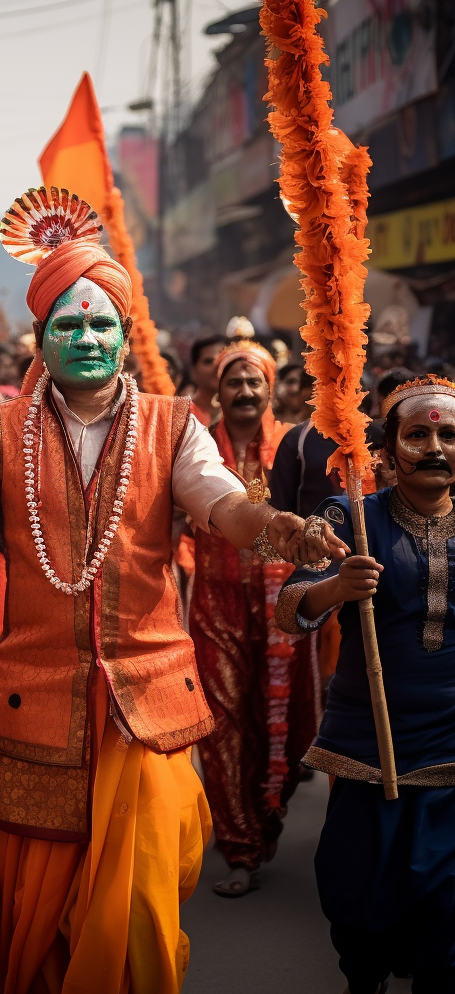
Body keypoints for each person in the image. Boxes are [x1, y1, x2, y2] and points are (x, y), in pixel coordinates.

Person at [0, 188, 343, 994]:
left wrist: (280, 526)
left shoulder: (174, 425)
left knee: (141, 906)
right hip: (31, 708)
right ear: (39, 341)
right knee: (43, 919)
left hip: (148, 704)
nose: (86, 338)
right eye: (67, 325)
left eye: (101, 324)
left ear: (123, 340)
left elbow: (224, 507)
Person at [277, 374, 455, 994]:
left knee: (448, 923)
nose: (435, 446)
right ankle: (364, 980)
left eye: (448, 434)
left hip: (452, 755)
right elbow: (290, 607)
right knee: (359, 902)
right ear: (387, 449)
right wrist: (335, 590)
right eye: (418, 433)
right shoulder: (350, 516)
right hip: (367, 749)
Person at [191, 341, 315, 898]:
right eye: (233, 382)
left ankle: (268, 810)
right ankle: (240, 844)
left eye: (254, 382)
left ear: (270, 389)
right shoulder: (193, 448)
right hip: (214, 605)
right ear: (217, 391)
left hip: (283, 606)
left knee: (293, 727)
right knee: (222, 723)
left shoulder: (294, 447)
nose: (244, 391)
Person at [189, 335, 226, 427]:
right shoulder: (183, 414)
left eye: (222, 360)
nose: (217, 367)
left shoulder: (240, 414)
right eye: (208, 361)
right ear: (193, 372)